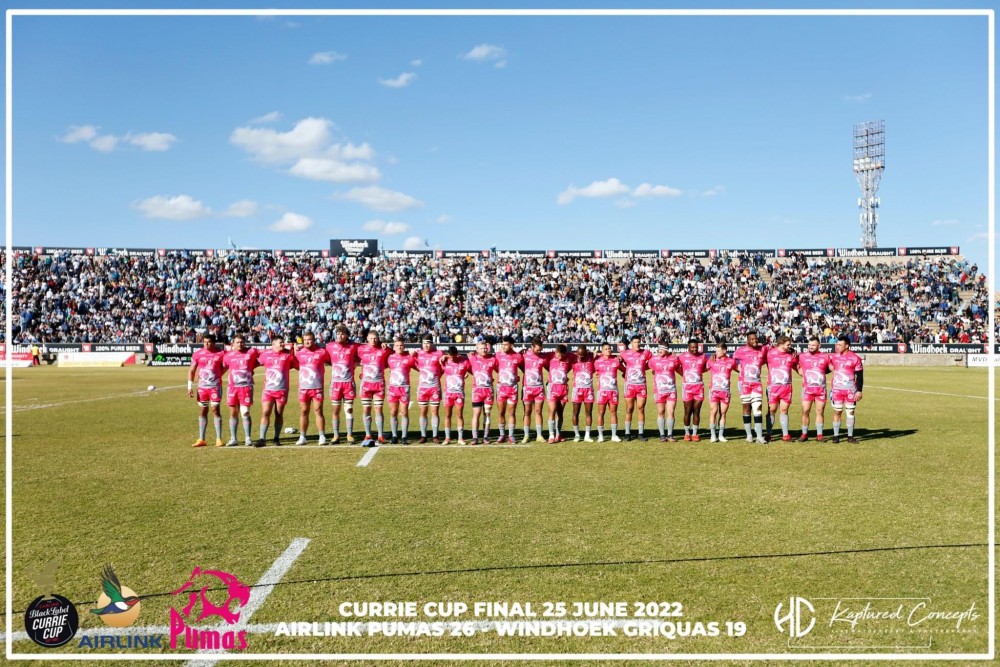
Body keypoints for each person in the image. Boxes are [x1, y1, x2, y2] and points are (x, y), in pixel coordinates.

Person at [257, 334, 298, 447]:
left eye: (283, 342)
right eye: (280, 342)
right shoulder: (265, 355)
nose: (282, 344)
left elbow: (298, 366)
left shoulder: (287, 356)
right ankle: (262, 439)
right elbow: (256, 363)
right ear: (273, 344)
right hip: (268, 390)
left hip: (282, 390)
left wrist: (295, 353)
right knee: (266, 412)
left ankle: (276, 438)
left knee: (278, 414)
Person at [188, 333, 226, 447]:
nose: (206, 344)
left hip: (215, 387)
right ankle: (201, 439)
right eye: (204, 342)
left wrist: (220, 374)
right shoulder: (198, 354)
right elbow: (192, 370)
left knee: (215, 410)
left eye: (208, 342)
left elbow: (227, 365)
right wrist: (189, 386)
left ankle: (219, 438)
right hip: (202, 388)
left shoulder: (221, 353)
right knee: (203, 411)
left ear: (213, 342)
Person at [222, 333, 259, 446]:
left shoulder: (251, 352)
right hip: (232, 387)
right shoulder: (228, 356)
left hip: (246, 387)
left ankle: (248, 438)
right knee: (233, 413)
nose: (240, 344)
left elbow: (264, 356)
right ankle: (233, 438)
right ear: (233, 344)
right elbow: (223, 367)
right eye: (237, 342)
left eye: (242, 342)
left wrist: (252, 366)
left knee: (245, 412)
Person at [357, 330, 392, 447]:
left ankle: (380, 435)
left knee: (378, 409)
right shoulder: (360, 349)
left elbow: (394, 354)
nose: (373, 340)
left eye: (375, 338)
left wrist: (384, 344)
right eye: (371, 338)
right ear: (367, 338)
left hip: (379, 384)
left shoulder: (384, 349)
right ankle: (368, 434)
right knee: (366, 409)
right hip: (366, 384)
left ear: (378, 338)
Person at [294, 331, 329, 445]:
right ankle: (302, 437)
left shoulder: (322, 352)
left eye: (309, 339)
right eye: (305, 340)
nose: (307, 342)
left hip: (317, 387)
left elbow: (332, 360)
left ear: (314, 340)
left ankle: (322, 436)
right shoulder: (299, 353)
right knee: (304, 411)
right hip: (303, 388)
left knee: (318, 410)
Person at [733, 331, 769, 444]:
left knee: (758, 408)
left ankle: (759, 436)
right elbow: (732, 362)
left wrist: (792, 351)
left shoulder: (763, 349)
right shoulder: (740, 351)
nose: (755, 341)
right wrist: (740, 370)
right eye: (752, 339)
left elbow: (775, 351)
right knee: (746, 408)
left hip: (756, 384)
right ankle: (749, 435)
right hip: (744, 384)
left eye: (755, 338)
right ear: (747, 340)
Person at [325, 325, 358, 444]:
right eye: (338, 333)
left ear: (347, 336)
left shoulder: (353, 346)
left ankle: (349, 435)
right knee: (335, 410)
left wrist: (381, 343)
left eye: (342, 334)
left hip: (348, 383)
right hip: (335, 384)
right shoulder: (329, 346)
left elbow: (367, 348)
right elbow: (325, 357)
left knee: (349, 409)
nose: (340, 336)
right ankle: (336, 435)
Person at [829, 334, 864, 443]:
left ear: (847, 345)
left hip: (850, 390)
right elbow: (827, 367)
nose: (837, 346)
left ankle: (850, 436)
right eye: (837, 344)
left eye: (840, 345)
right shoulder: (834, 357)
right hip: (837, 390)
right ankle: (836, 436)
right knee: (837, 412)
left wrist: (859, 391)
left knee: (850, 412)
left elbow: (860, 376)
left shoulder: (855, 358)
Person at [795, 336, 831, 441]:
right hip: (807, 389)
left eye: (813, 345)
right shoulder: (802, 356)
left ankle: (819, 435)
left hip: (821, 390)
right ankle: (804, 434)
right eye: (809, 345)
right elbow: (794, 364)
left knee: (820, 411)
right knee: (805, 411)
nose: (810, 347)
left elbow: (831, 368)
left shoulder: (825, 356)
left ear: (819, 346)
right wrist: (800, 372)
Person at [412, 335, 445, 443]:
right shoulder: (418, 353)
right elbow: (414, 365)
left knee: (435, 411)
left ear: (432, 343)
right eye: (424, 343)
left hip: (435, 387)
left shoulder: (439, 353)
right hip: (423, 388)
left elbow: (444, 367)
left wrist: (437, 375)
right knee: (423, 412)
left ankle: (435, 435)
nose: (426, 345)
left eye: (428, 343)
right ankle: (423, 435)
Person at [765, 336, 797, 442]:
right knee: (772, 410)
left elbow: (797, 368)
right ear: (781, 344)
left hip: (786, 387)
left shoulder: (791, 355)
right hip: (773, 387)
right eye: (788, 344)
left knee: (784, 410)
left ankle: (785, 435)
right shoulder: (769, 353)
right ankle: (768, 434)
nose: (790, 346)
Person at [620, 335, 652, 441]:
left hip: (641, 385)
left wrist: (644, 367)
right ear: (631, 343)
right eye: (635, 342)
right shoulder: (625, 353)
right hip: (629, 385)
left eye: (638, 342)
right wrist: (624, 371)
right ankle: (627, 433)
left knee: (641, 408)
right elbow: (618, 362)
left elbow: (652, 362)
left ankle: (641, 433)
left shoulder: (646, 353)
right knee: (629, 409)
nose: (637, 344)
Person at [648, 341, 680, 442]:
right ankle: (662, 435)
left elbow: (679, 369)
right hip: (659, 391)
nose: (660, 350)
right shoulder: (653, 360)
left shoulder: (674, 359)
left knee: (671, 412)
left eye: (662, 348)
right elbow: (652, 370)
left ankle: (670, 435)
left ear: (667, 350)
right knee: (661, 412)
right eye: (659, 348)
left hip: (671, 390)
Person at [386, 336, 417, 444]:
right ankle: (394, 435)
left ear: (404, 347)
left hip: (404, 388)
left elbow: (420, 367)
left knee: (404, 412)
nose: (399, 347)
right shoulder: (389, 357)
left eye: (401, 345)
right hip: (392, 388)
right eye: (397, 345)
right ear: (394, 347)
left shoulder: (409, 357)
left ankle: (404, 436)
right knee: (393, 412)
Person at [467, 338, 497, 444]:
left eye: (485, 348)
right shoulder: (472, 357)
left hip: (488, 390)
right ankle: (475, 437)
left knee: (487, 414)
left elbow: (501, 369)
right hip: (477, 390)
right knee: (476, 414)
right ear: (477, 349)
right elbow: (459, 359)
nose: (484, 350)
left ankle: (485, 437)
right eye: (481, 348)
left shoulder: (493, 359)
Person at [494, 336, 524, 444]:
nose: (503, 346)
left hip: (512, 389)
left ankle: (511, 436)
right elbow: (494, 366)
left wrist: (517, 377)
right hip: (501, 388)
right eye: (503, 344)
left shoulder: (518, 356)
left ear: (511, 345)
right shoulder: (498, 355)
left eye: (506, 344)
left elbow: (525, 369)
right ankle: (502, 435)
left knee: (512, 412)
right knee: (501, 412)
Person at [520, 337, 551, 443]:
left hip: (539, 388)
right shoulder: (524, 354)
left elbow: (551, 367)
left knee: (538, 411)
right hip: (527, 388)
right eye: (537, 350)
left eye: (541, 350)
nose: (539, 352)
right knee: (527, 411)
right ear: (532, 347)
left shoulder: (542, 357)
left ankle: (539, 435)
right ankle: (526, 435)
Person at [677, 339, 708, 441]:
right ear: (688, 347)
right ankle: (687, 433)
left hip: (699, 387)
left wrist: (698, 372)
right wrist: (684, 374)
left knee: (697, 411)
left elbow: (706, 367)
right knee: (688, 411)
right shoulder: (682, 356)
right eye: (692, 347)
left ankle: (694, 434)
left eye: (696, 347)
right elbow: (676, 366)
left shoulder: (703, 356)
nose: (695, 349)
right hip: (687, 387)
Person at [706, 341, 737, 443]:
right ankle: (713, 435)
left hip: (725, 391)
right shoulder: (712, 360)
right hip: (714, 390)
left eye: (718, 351)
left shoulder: (731, 361)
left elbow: (739, 369)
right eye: (716, 351)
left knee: (723, 413)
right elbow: (702, 368)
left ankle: (721, 435)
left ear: (724, 351)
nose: (716, 353)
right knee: (713, 411)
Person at [593, 342, 624, 442]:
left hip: (613, 391)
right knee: (601, 413)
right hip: (602, 391)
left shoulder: (615, 361)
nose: (608, 350)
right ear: (602, 351)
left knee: (613, 412)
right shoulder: (597, 361)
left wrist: (624, 374)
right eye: (606, 349)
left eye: (609, 348)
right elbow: (589, 370)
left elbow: (625, 370)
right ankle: (600, 435)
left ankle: (614, 435)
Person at [546, 344, 575, 443]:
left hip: (563, 388)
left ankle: (558, 435)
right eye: (558, 355)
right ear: (555, 352)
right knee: (552, 411)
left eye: (561, 355)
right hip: (552, 387)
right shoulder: (550, 356)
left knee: (560, 412)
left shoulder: (568, 358)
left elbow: (579, 355)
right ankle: (551, 435)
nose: (559, 357)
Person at [441, 345, 470, 445]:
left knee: (459, 415)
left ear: (457, 354)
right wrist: (444, 356)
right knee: (447, 415)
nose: (452, 358)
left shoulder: (464, 362)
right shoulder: (444, 361)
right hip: (448, 393)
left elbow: (469, 357)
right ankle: (447, 438)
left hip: (459, 394)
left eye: (454, 356)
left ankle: (460, 438)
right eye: (450, 356)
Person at [570, 344, 596, 442]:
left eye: (582, 355)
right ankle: (577, 435)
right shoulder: (573, 358)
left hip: (588, 390)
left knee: (588, 413)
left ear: (586, 353)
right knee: (575, 412)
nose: (580, 357)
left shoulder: (591, 357)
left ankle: (587, 435)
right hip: (577, 390)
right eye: (578, 355)